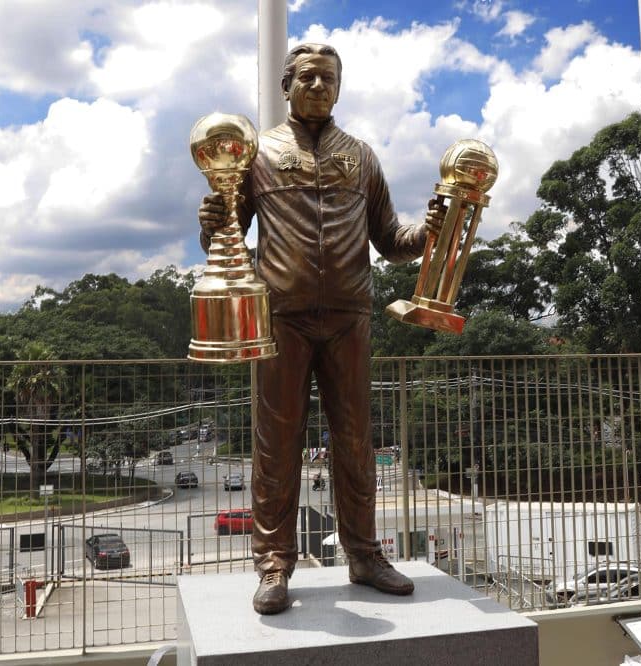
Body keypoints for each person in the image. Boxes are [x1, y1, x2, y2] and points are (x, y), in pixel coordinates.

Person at [198, 42, 444, 615]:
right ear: (286, 86)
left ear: (338, 87)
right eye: (306, 77)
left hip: (349, 317)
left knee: (356, 440)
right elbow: (225, 241)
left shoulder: (361, 156)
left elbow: (390, 241)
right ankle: (274, 563)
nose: (317, 87)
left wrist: (432, 230)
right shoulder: (256, 154)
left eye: (328, 79)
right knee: (275, 444)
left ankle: (364, 554)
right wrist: (210, 222)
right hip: (279, 317)